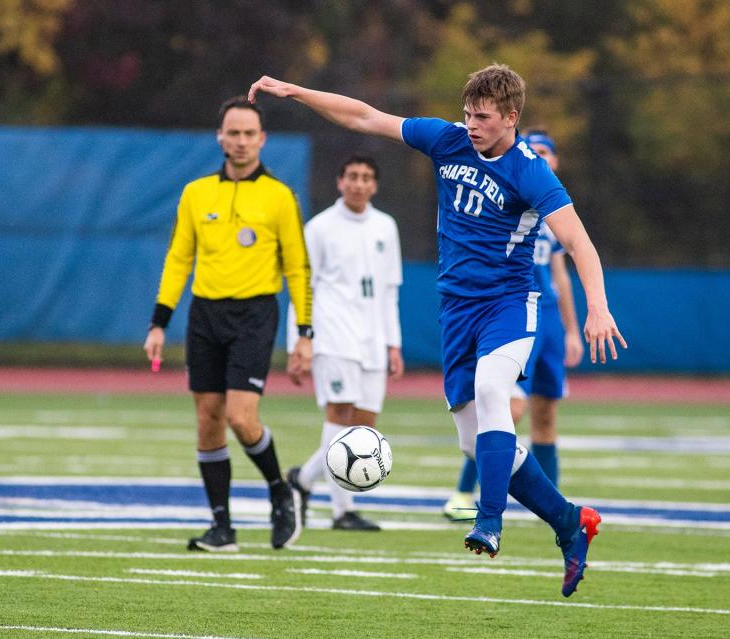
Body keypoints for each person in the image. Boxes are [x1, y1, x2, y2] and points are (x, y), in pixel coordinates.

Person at [248, 64, 626, 597]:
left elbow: (580, 243)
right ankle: (569, 522)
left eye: (483, 117)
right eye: (468, 113)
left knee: (496, 392)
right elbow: (363, 115)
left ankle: (488, 520)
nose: (470, 124)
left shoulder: (531, 171)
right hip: (457, 310)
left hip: (509, 305)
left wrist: (597, 309)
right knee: (474, 441)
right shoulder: (448, 140)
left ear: (511, 117)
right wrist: (294, 92)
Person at [143, 96, 313, 552]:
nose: (240, 141)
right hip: (205, 315)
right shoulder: (197, 193)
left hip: (255, 316)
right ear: (220, 137)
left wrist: (304, 334)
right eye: (232, 133)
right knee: (208, 420)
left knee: (241, 417)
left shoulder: (279, 196)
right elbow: (179, 258)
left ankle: (280, 491)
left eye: (248, 134)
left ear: (263, 139)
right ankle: (223, 528)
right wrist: (159, 323)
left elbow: (297, 268)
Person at [443, 128, 585, 520]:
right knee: (504, 406)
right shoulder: (514, 188)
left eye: (545, 151)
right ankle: (464, 493)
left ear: (554, 161)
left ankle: (552, 504)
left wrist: (573, 328)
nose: (538, 156)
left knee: (545, 411)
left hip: (547, 316)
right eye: (534, 149)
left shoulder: (553, 208)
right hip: (510, 310)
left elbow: (561, 273)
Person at [284, 155, 404, 532]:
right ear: (339, 181)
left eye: (367, 177)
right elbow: (301, 287)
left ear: (375, 185)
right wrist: (298, 343)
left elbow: (389, 292)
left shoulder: (386, 226)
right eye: (352, 176)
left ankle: (302, 479)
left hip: (373, 337)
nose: (359, 183)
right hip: (333, 334)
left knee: (365, 426)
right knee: (340, 415)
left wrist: (393, 344)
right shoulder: (319, 228)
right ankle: (342, 511)